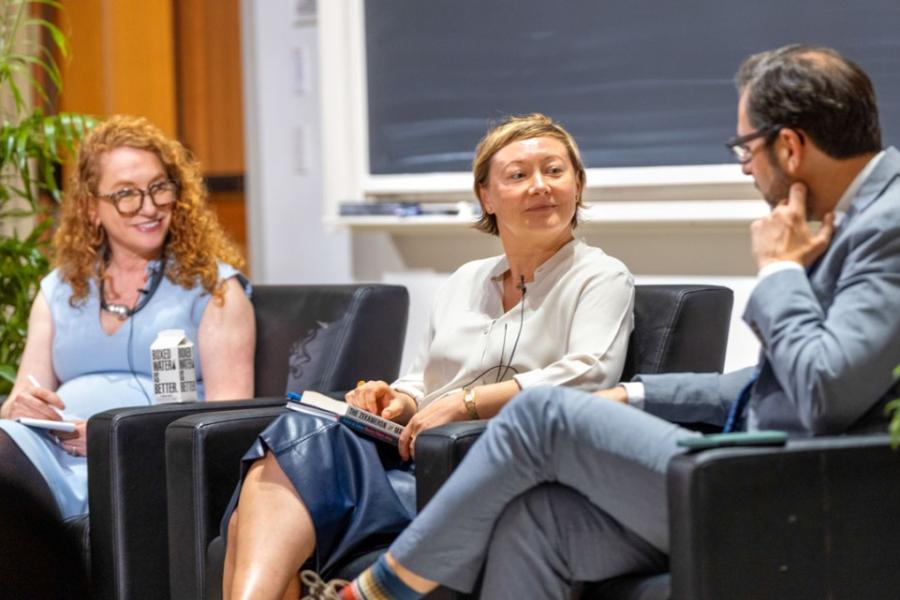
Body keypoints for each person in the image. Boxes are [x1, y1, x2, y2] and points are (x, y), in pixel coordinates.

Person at [317, 44, 900, 600]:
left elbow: (824, 388)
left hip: (806, 483)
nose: (746, 168)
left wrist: (777, 270)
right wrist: (632, 393)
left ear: (790, 147)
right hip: (761, 460)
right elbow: (772, 381)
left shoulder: (887, 226)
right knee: (537, 523)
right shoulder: (851, 218)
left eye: (745, 149)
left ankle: (376, 591)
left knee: (544, 413)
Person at [221, 113, 635, 600]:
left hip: (488, 469)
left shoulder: (600, 276)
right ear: (486, 197)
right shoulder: (465, 280)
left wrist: (467, 403)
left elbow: (589, 374)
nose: (540, 186)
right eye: (519, 175)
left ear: (577, 184)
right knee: (295, 441)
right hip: (417, 460)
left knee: (273, 492)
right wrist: (396, 399)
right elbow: (423, 379)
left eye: (555, 170)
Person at [0, 116, 255, 594]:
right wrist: (21, 406)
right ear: (91, 208)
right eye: (126, 194)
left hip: (132, 460)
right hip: (47, 450)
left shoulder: (215, 290)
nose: (149, 206)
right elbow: (23, 395)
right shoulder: (59, 290)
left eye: (159, 188)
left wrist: (111, 436)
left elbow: (227, 420)